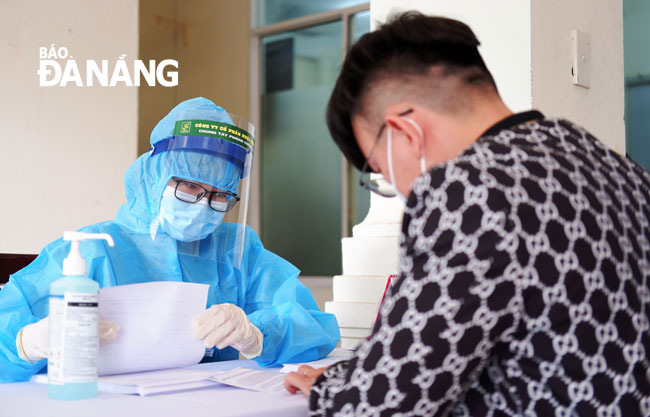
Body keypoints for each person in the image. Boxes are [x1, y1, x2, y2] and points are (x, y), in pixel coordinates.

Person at [283, 12, 650, 417]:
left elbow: (391, 403)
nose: (401, 191)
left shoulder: (468, 189)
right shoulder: (617, 166)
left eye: (382, 171)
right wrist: (354, 376)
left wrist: (334, 393)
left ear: (405, 132)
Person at [0, 97, 340, 383]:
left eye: (220, 194)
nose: (204, 205)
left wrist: (257, 335)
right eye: (190, 186)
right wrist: (26, 342)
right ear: (154, 174)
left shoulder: (238, 251)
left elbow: (316, 329)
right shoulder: (92, 248)